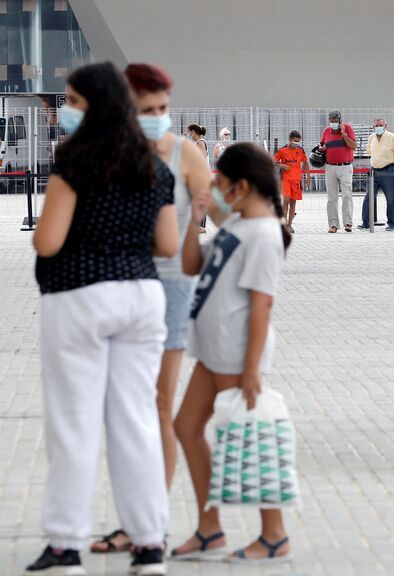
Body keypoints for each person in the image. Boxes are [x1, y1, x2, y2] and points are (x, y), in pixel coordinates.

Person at [28, 61, 179, 575]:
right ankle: (149, 544)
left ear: (94, 104)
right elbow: (168, 244)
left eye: (72, 100)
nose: (67, 110)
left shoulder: (76, 160)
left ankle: (66, 546)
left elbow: (47, 239)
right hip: (141, 297)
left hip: (78, 294)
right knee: (136, 419)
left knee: (74, 422)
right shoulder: (154, 166)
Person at [86, 63, 214, 558]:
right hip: (115, 285)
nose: (159, 118)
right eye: (148, 111)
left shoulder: (186, 152)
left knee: (157, 404)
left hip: (170, 289)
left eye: (164, 109)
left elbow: (218, 212)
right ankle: (137, 520)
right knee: (122, 408)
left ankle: (148, 526)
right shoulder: (103, 154)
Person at [172, 143, 292, 563]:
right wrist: (194, 219)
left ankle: (273, 534)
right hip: (215, 348)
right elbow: (191, 265)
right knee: (187, 427)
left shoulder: (264, 233)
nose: (217, 189)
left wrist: (251, 368)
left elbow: (262, 303)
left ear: (241, 186)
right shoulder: (238, 224)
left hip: (237, 350)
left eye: (220, 183)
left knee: (244, 434)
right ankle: (209, 530)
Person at [317, 111, 357, 233]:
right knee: (331, 198)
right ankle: (333, 224)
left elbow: (353, 146)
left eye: (336, 121)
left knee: (346, 195)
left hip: (345, 167)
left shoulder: (347, 128)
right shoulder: (326, 131)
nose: (334, 123)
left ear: (340, 121)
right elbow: (321, 144)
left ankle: (348, 223)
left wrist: (344, 134)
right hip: (330, 167)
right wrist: (321, 148)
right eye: (332, 121)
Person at [362, 118, 394, 231]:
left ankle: (392, 223)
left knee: (390, 198)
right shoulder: (371, 137)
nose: (379, 127)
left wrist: (393, 165)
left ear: (385, 125)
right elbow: (370, 153)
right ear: (373, 126)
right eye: (377, 125)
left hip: (388, 170)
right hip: (374, 171)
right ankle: (365, 222)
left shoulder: (391, 137)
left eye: (381, 125)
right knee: (368, 197)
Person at [274, 131, 310, 234]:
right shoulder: (282, 151)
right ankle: (284, 224)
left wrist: (308, 176)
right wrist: (282, 165)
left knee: (293, 202)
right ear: (289, 139)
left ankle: (290, 225)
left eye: (298, 141)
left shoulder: (300, 151)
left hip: (296, 180)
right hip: (285, 179)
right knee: (285, 200)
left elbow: (306, 163)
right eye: (294, 141)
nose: (296, 143)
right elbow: (274, 161)